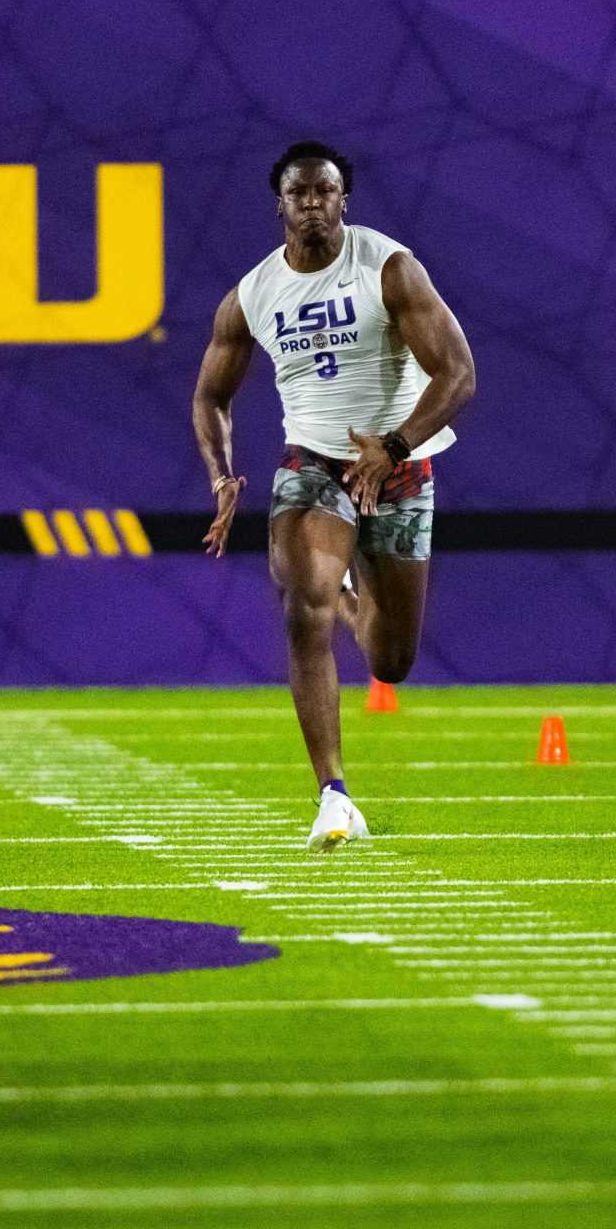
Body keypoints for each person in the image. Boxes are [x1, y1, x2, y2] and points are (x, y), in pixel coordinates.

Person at [191, 141, 477, 850]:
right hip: (312, 464)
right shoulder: (253, 294)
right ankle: (333, 794)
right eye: (299, 194)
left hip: (398, 465)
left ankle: (350, 593)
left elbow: (459, 373)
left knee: (390, 659)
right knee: (301, 602)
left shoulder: (388, 268)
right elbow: (210, 396)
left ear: (344, 198)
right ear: (279, 205)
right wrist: (222, 475)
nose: (313, 204)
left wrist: (396, 447)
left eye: (325, 191)